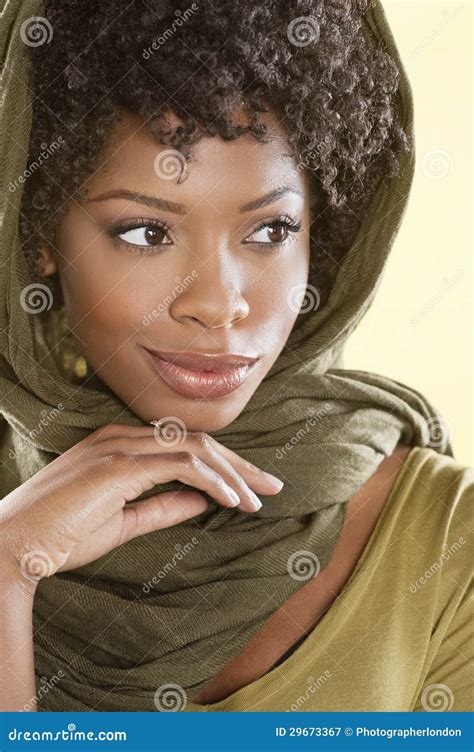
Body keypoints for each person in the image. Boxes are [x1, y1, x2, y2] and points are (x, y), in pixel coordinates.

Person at [0, 0, 471, 713]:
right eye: (144, 233)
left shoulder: (445, 540)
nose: (219, 303)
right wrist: (10, 564)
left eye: (270, 229)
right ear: (36, 233)